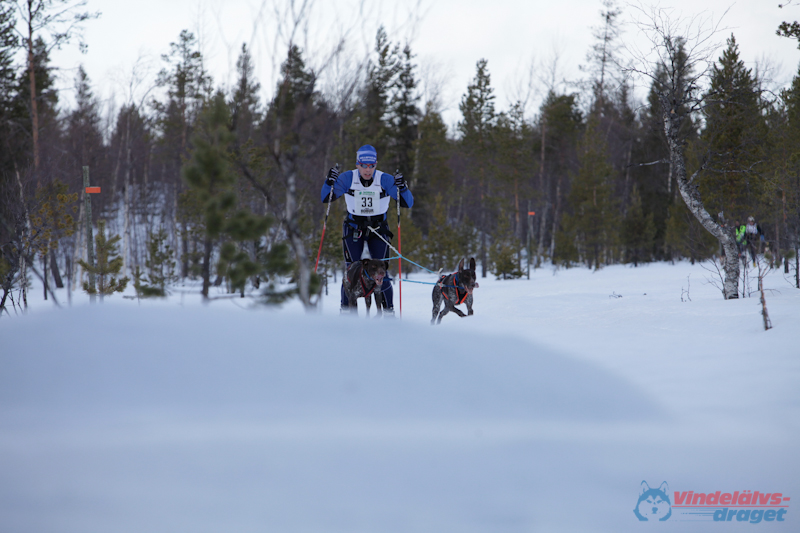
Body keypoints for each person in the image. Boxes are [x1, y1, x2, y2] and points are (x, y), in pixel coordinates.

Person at [320, 145, 413, 314]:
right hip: (354, 227)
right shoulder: (348, 178)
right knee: (351, 270)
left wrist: (403, 187)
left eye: (371, 166)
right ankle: (346, 311)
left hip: (378, 229)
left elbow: (407, 203)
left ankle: (389, 312)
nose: (368, 170)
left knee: (382, 271)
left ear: (376, 164)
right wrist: (329, 182)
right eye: (364, 165)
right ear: (357, 164)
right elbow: (326, 198)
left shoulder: (384, 179)